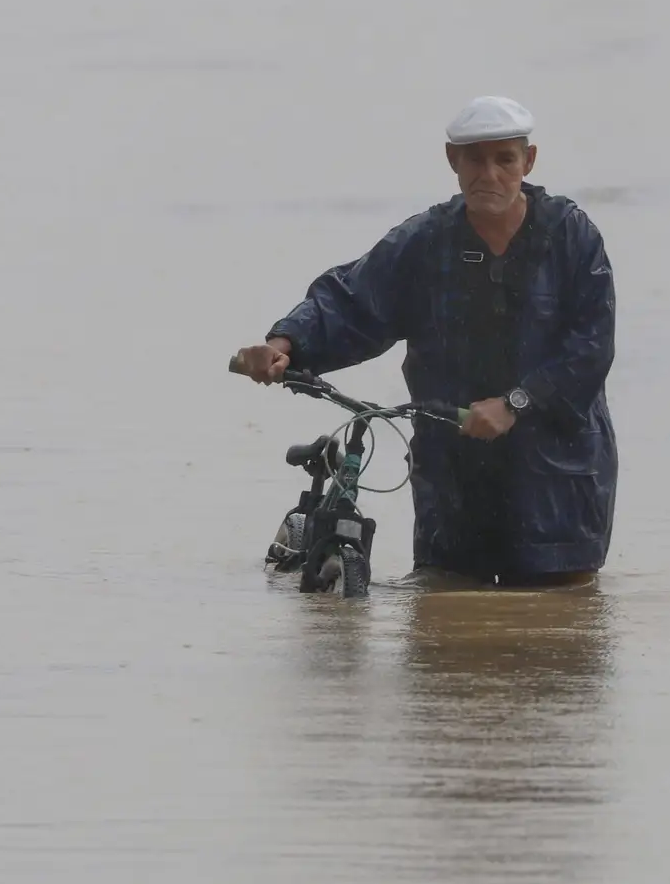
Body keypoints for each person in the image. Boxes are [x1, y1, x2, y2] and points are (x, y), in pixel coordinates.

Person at [232, 96, 618, 586]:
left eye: (505, 159)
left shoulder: (572, 238)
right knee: (441, 614)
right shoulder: (425, 242)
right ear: (453, 162)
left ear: (529, 161)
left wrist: (515, 403)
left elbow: (590, 350)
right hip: (453, 475)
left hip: (557, 480)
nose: (490, 174)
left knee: (556, 623)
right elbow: (350, 300)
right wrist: (284, 343)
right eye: (476, 159)